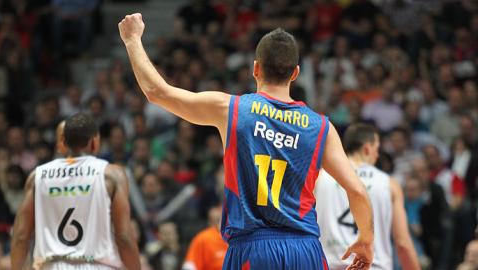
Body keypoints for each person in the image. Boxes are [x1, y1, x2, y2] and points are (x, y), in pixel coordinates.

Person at [119, 13, 374, 270]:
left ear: (256, 68)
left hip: (253, 248)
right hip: (305, 250)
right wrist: (365, 239)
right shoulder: (322, 127)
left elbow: (157, 92)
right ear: (295, 73)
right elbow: (357, 191)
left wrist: (132, 40)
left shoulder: (232, 110)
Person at [10, 113, 141, 269]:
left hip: (53, 265)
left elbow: (20, 237)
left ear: (64, 142)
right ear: (94, 141)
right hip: (97, 264)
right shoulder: (111, 175)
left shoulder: (37, 176)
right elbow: (124, 236)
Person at [315, 123, 420, 269]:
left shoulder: (319, 178)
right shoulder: (389, 185)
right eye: (377, 149)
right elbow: (402, 243)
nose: (377, 155)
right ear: (367, 149)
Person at [182, 204, 228, 270]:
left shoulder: (241, 238)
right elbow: (189, 266)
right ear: (209, 222)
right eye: (214, 221)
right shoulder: (203, 238)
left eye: (218, 219)